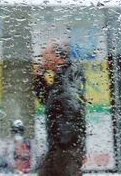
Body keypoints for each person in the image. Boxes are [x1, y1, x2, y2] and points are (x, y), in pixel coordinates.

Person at [34, 42, 87, 176]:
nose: (43, 60)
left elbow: (71, 107)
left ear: (57, 56)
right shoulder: (60, 78)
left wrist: (63, 143)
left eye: (45, 56)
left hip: (66, 146)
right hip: (59, 146)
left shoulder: (70, 74)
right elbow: (47, 100)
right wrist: (39, 78)